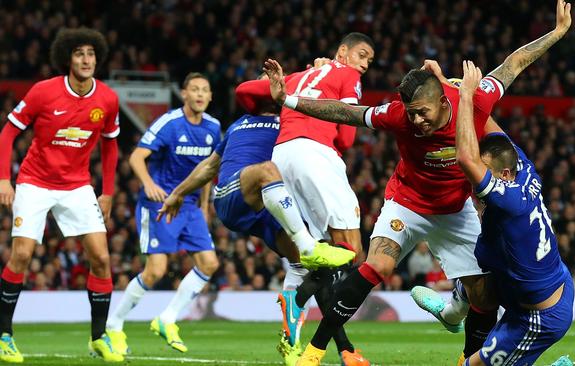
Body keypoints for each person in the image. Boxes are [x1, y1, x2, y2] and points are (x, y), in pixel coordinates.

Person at [262, 2, 572, 364]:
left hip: (456, 209)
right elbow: (346, 112)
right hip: (407, 201)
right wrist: (289, 99)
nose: (417, 121)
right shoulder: (398, 115)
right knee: (376, 265)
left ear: (443, 101)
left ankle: (468, 358)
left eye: (422, 112)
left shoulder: (473, 99)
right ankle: (314, 352)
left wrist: (557, 32)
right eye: (411, 114)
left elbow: (514, 64)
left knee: (483, 295)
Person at [158, 78, 359, 366]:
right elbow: (209, 167)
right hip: (233, 195)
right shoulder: (239, 124)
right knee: (268, 171)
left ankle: (332, 348)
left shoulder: (292, 119)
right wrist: (177, 193)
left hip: (269, 209)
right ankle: (307, 246)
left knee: (313, 269)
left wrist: (322, 72)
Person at [236, 32, 375, 366]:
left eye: (369, 60)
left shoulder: (296, 77)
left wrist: (275, 91)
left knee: (315, 256)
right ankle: (298, 300)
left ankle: (323, 341)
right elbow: (348, 132)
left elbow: (243, 93)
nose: (365, 64)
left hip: (281, 158)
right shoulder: (347, 75)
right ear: (343, 51)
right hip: (316, 155)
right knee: (352, 253)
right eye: (362, 55)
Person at [0, 28, 122, 362]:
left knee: (100, 257)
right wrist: (3, 179)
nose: (86, 60)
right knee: (22, 254)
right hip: (35, 181)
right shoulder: (44, 92)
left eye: (91, 54)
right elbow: (7, 133)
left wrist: (107, 192)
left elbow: (111, 147)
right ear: (67, 58)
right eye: (79, 53)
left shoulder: (107, 99)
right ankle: (4, 335)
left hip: (77, 185)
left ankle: (99, 338)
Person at [441, 60, 574, 366]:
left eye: (484, 173)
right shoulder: (522, 168)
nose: (477, 181)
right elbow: (488, 124)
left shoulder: (510, 200)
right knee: (483, 272)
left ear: (503, 174)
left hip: (537, 317)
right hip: (536, 287)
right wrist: (465, 93)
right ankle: (458, 301)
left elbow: (465, 157)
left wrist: (463, 98)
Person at [105, 73, 222, 355]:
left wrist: (205, 206)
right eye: (194, 89)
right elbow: (136, 157)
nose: (199, 94)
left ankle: (167, 318)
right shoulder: (170, 123)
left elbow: (209, 170)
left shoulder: (214, 127)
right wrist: (149, 184)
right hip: (159, 205)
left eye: (205, 90)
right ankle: (114, 324)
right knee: (156, 270)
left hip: (190, 205)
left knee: (209, 263)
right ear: (183, 94)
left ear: (210, 97)